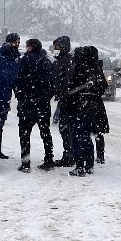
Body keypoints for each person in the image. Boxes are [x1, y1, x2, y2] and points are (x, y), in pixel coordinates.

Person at [61, 45, 108, 176]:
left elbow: (70, 88)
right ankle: (89, 164)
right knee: (86, 136)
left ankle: (80, 165)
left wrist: (68, 99)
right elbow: (103, 86)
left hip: (77, 107)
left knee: (77, 137)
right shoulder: (96, 68)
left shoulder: (79, 68)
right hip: (91, 108)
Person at [14, 38, 56, 172]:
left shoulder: (24, 60)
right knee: (45, 132)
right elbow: (52, 83)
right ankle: (49, 159)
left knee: (25, 134)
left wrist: (20, 95)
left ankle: (25, 163)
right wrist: (46, 96)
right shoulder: (46, 62)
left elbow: (18, 80)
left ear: (30, 47)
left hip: (27, 103)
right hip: (42, 103)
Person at [50, 36, 75, 167]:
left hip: (68, 100)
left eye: (57, 47)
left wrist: (61, 92)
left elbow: (63, 81)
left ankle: (69, 155)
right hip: (65, 98)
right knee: (65, 128)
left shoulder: (66, 61)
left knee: (66, 128)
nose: (55, 49)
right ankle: (69, 154)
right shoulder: (61, 61)